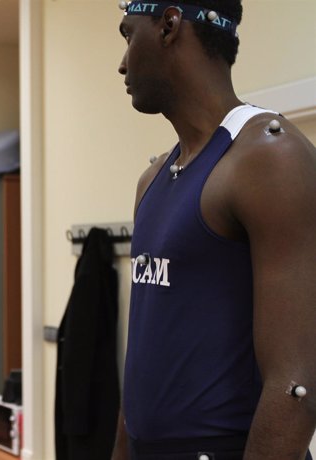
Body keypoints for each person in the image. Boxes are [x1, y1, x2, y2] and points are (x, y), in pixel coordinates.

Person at [113, 0, 316, 459]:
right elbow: (142, 364)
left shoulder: (269, 157)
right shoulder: (152, 179)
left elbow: (297, 385)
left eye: (128, 35)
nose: (122, 62)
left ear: (168, 24)